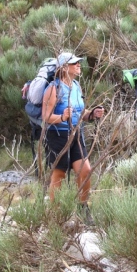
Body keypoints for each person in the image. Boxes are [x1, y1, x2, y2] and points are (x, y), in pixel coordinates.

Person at [42, 52, 104, 222]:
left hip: (76, 134)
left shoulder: (76, 85)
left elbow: (80, 112)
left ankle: (83, 209)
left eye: (78, 62)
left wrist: (91, 114)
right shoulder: (53, 88)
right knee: (59, 175)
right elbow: (46, 117)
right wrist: (62, 117)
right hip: (57, 135)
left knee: (85, 170)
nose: (78, 65)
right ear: (63, 68)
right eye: (74, 63)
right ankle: (56, 215)